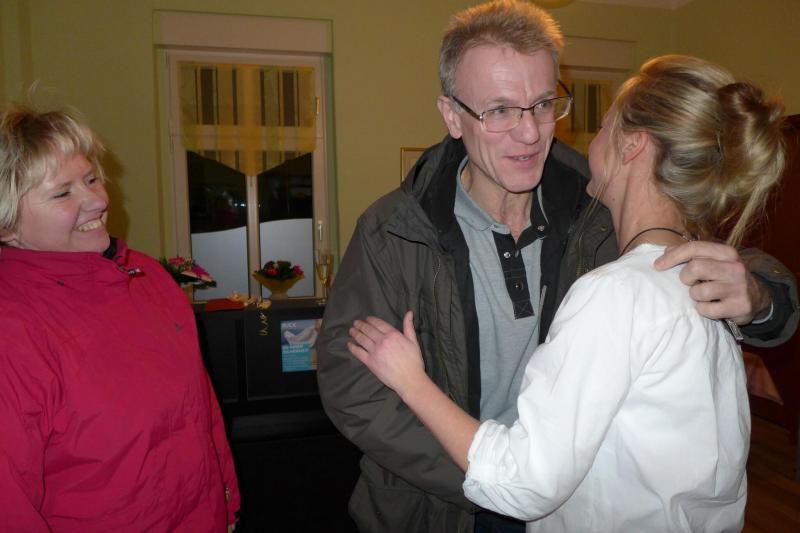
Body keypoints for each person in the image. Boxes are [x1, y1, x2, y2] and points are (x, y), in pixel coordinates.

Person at [316, 1, 798, 531]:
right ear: (452, 115)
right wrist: (483, 480)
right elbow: (355, 388)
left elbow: (706, 258)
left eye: (543, 104)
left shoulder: (601, 200)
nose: (529, 132)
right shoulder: (395, 228)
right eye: (500, 110)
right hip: (448, 504)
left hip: (565, 495)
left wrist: (761, 296)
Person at [0, 105, 240, 531]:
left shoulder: (147, 276)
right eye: (62, 193)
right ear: (6, 226)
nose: (97, 201)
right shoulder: (12, 329)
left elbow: (201, 407)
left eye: (91, 179)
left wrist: (226, 499)